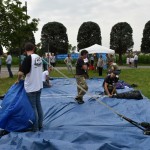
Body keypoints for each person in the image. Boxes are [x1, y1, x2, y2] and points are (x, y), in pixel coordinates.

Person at [17, 42, 43, 132]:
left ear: (25, 50)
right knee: (38, 105)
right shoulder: (39, 57)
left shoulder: (28, 59)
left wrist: (18, 79)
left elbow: (21, 72)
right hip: (39, 85)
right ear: (34, 48)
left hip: (31, 87)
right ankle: (40, 125)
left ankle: (35, 128)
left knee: (33, 107)